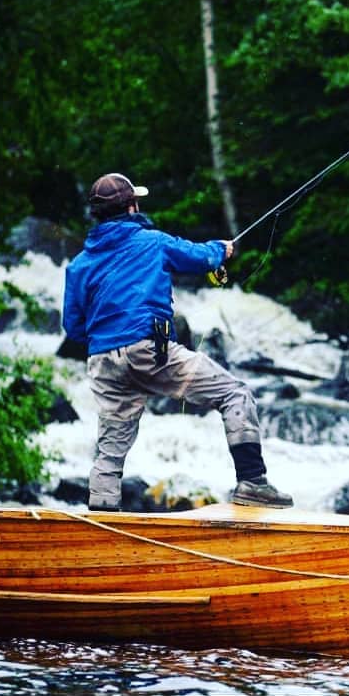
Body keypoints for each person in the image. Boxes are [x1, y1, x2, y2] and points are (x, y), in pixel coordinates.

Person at [61, 172, 293, 512]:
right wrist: (221, 250)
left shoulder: (79, 264)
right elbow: (198, 257)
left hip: (102, 361)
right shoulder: (151, 241)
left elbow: (74, 326)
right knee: (235, 393)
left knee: (111, 447)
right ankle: (253, 483)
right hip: (148, 350)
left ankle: (102, 519)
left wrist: (109, 339)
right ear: (132, 207)